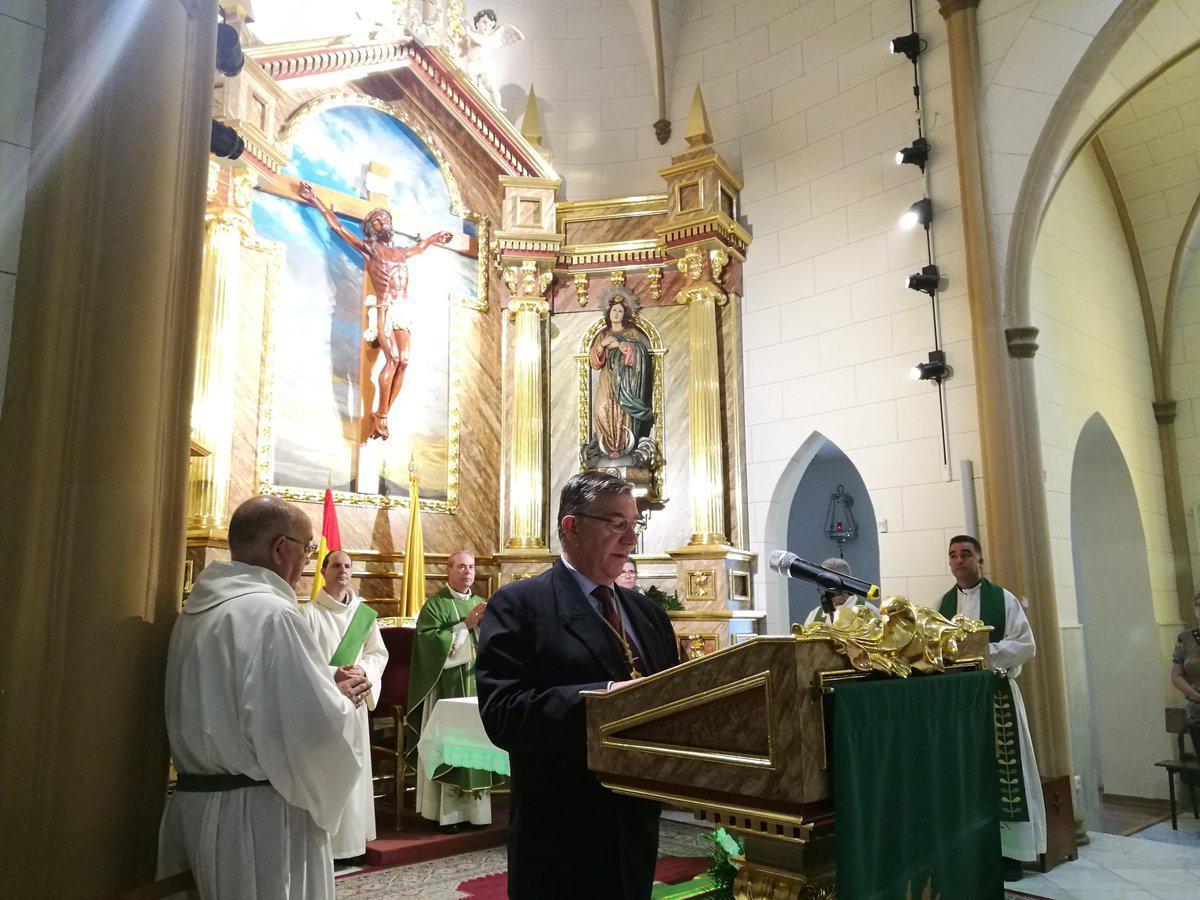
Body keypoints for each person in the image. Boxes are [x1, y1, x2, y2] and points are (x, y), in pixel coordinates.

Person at [157, 495, 372, 899]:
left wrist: (322, 679)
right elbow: (309, 732)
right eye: (308, 549)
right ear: (279, 548)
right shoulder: (275, 614)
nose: (309, 562)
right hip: (260, 822)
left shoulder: (195, 612)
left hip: (195, 808)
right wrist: (343, 700)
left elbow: (231, 689)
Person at [477, 472, 680, 899]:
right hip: (560, 832)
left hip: (635, 826)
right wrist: (602, 700)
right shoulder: (521, 605)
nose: (631, 540)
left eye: (634, 525)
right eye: (616, 524)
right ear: (572, 526)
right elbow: (504, 715)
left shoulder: (648, 614)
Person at [296, 180, 452, 440]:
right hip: (384, 308)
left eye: (385, 219)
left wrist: (436, 237)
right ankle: (381, 417)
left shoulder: (402, 252)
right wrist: (315, 201)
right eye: (377, 221)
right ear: (370, 230)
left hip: (403, 307)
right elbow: (337, 227)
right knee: (392, 359)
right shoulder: (371, 249)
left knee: (405, 361)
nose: (383, 223)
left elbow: (421, 246)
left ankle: (382, 416)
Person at [939, 535, 1046, 879]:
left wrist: (981, 651)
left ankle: (1011, 854)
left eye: (966, 554)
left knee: (1004, 774)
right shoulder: (941, 605)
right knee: (965, 773)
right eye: (953, 555)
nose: (959, 560)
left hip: (996, 695)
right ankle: (970, 846)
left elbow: (1025, 645)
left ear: (980, 560)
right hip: (957, 704)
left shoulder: (1004, 599)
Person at [297, 549, 389, 862]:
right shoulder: (308, 614)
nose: (343, 571)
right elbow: (303, 663)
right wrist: (333, 674)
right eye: (336, 565)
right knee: (328, 768)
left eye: (348, 566)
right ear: (323, 571)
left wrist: (364, 671)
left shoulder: (363, 615)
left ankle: (352, 845)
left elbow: (378, 653)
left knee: (356, 765)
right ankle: (328, 847)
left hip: (357, 700)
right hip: (325, 704)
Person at [405, 550, 500, 829]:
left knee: (475, 743)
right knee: (452, 743)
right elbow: (428, 645)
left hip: (476, 687)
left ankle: (477, 812)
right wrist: (464, 626)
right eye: (460, 566)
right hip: (446, 689)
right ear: (448, 570)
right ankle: (448, 815)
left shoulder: (481, 603)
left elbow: (491, 645)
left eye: (471, 566)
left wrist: (483, 630)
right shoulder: (435, 605)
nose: (467, 572)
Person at [589, 294, 653, 459]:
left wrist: (621, 345)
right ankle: (608, 447)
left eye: (620, 311)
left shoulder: (631, 333)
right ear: (608, 312)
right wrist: (602, 345)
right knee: (600, 410)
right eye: (614, 310)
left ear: (624, 314)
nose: (616, 313)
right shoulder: (602, 335)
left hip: (625, 382)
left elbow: (641, 354)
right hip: (607, 378)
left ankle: (622, 447)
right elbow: (595, 363)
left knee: (622, 413)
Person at [1170, 591, 1200, 764]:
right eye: (1198, 605)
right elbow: (1176, 675)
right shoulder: (1185, 638)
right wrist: (1191, 693)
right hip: (1196, 712)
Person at [802, 557, 877, 624]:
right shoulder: (814, 616)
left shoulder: (869, 612)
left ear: (847, 585)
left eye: (833, 589)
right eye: (825, 588)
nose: (828, 594)